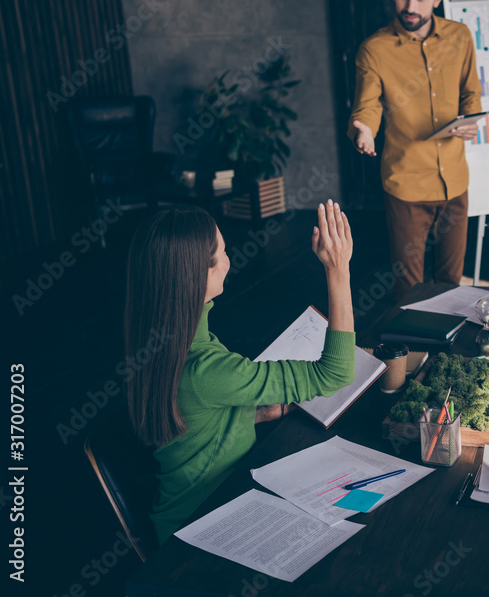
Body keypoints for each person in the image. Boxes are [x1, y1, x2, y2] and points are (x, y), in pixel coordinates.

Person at [124, 201, 356, 542]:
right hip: (196, 534)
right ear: (200, 274)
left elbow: (193, 416)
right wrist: (338, 271)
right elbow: (335, 373)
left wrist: (246, 415)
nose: (228, 256)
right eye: (223, 250)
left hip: (198, 511)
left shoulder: (166, 343)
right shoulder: (208, 370)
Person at [348, 0, 482, 299]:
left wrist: (471, 120)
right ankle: (411, 352)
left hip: (454, 181)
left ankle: (447, 352)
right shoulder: (374, 49)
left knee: (451, 284)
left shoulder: (460, 36)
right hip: (406, 185)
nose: (410, 6)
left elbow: (471, 91)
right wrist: (363, 129)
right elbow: (367, 104)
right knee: (410, 289)